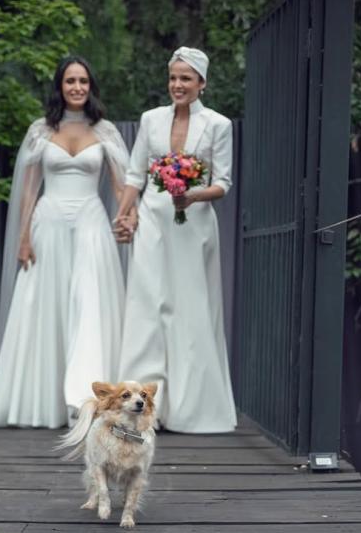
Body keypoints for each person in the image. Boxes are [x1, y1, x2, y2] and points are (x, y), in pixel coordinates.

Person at [0, 56, 130, 429]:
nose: (77, 87)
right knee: (44, 304)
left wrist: (126, 218)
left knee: (89, 305)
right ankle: (41, 401)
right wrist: (23, 237)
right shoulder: (41, 131)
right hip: (48, 222)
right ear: (60, 86)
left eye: (82, 81)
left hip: (91, 224)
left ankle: (88, 398)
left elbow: (120, 185)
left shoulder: (106, 131)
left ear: (90, 85)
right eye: (69, 81)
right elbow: (29, 190)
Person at [113, 47, 237, 433]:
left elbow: (223, 184)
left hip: (194, 226)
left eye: (186, 78)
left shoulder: (218, 124)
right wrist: (126, 213)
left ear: (202, 83)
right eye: (173, 77)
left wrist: (193, 195)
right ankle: (141, 409)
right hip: (153, 220)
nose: (178, 85)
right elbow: (135, 174)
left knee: (190, 310)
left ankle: (191, 409)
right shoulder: (150, 120)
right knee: (148, 305)